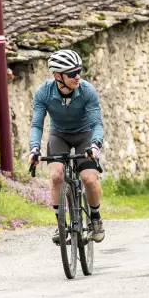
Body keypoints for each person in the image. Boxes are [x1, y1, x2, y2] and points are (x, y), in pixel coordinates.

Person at [28, 49, 105, 245]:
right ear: (57, 76)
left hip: (83, 135)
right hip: (58, 135)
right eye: (71, 73)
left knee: (88, 178)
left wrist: (95, 145)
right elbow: (37, 125)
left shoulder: (87, 90)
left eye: (78, 71)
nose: (77, 76)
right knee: (56, 176)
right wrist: (34, 149)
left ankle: (95, 218)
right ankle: (61, 223)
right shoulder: (43, 92)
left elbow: (96, 124)